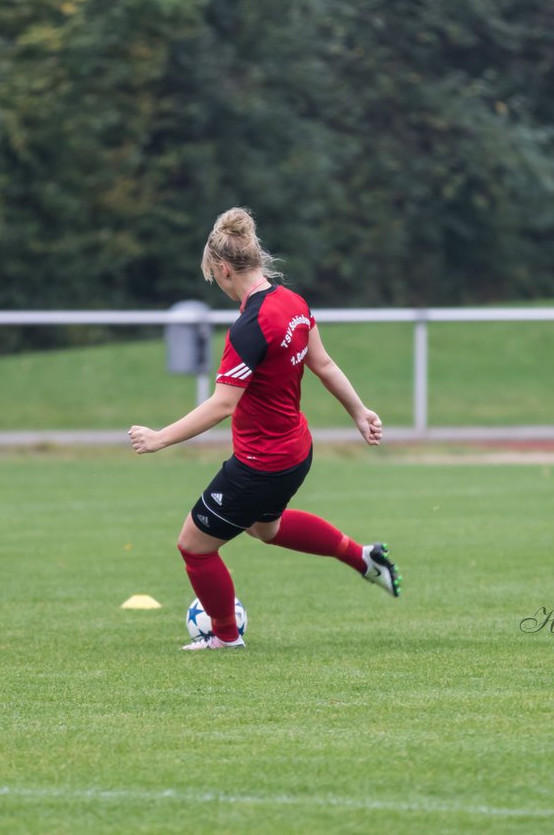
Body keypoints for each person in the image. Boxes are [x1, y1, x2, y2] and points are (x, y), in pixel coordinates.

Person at [128, 207, 401, 651]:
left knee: (194, 547)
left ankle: (225, 637)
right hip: (295, 451)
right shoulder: (292, 304)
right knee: (265, 529)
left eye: (212, 276)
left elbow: (222, 404)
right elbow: (324, 364)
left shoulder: (250, 327)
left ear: (222, 268)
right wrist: (359, 410)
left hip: (261, 463)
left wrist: (160, 437)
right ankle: (362, 557)